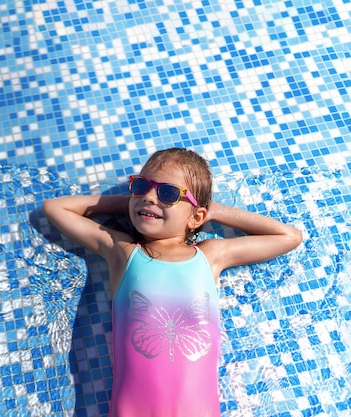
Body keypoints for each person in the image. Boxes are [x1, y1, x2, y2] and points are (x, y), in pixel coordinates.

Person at [42, 147, 302, 416]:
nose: (150, 197)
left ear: (196, 217)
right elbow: (55, 208)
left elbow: (289, 237)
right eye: (142, 186)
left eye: (167, 193)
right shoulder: (122, 251)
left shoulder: (211, 255)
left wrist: (214, 211)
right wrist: (131, 202)